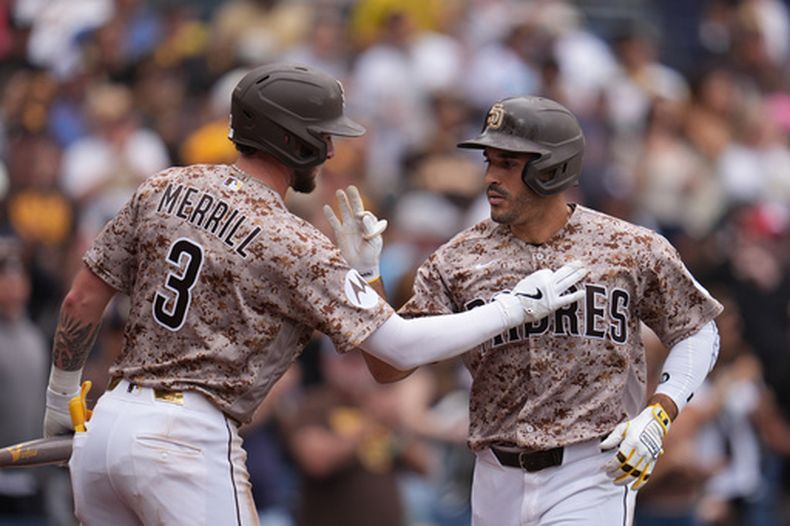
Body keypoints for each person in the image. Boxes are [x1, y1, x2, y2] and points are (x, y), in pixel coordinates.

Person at [40, 64, 589, 526]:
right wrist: (514, 307)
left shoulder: (163, 186)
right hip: (184, 440)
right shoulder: (292, 241)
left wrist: (59, 399)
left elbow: (80, 301)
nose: (329, 151)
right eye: (322, 136)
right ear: (289, 138)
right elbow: (399, 349)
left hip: (107, 424)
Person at [325, 96, 723, 526]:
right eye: (489, 162)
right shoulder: (458, 259)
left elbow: (698, 329)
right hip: (495, 477)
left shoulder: (629, 247)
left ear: (553, 168)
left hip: (590, 471)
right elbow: (390, 366)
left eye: (508, 164)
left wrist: (659, 413)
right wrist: (367, 277)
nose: (490, 178)